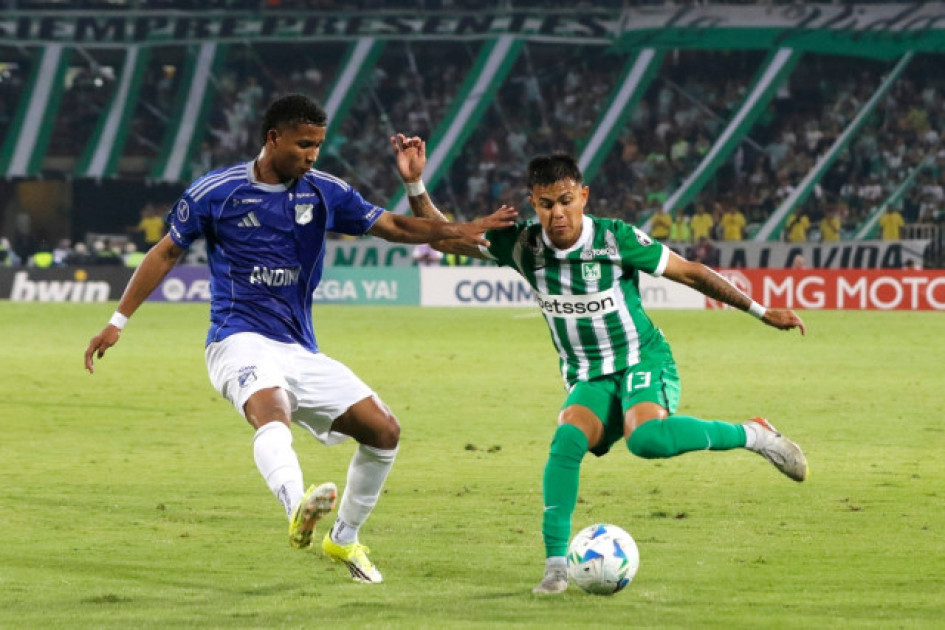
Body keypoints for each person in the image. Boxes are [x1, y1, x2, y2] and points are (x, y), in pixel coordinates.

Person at [84, 94, 515, 585]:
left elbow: (393, 225)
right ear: (273, 139)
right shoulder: (215, 192)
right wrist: (118, 321)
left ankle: (345, 537)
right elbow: (165, 253)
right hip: (236, 337)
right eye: (304, 144)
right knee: (272, 409)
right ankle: (297, 508)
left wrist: (449, 215)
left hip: (297, 347)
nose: (312, 155)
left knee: (384, 432)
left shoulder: (324, 191)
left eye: (318, 146)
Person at [403, 149, 808, 595]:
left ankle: (755, 434)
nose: (557, 213)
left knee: (647, 440)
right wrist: (416, 186)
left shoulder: (615, 240)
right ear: (533, 204)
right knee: (567, 439)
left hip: (642, 359)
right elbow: (444, 237)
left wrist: (760, 310)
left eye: (565, 200)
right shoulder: (522, 244)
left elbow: (690, 273)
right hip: (589, 375)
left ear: (584, 196)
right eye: (545, 203)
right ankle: (556, 567)